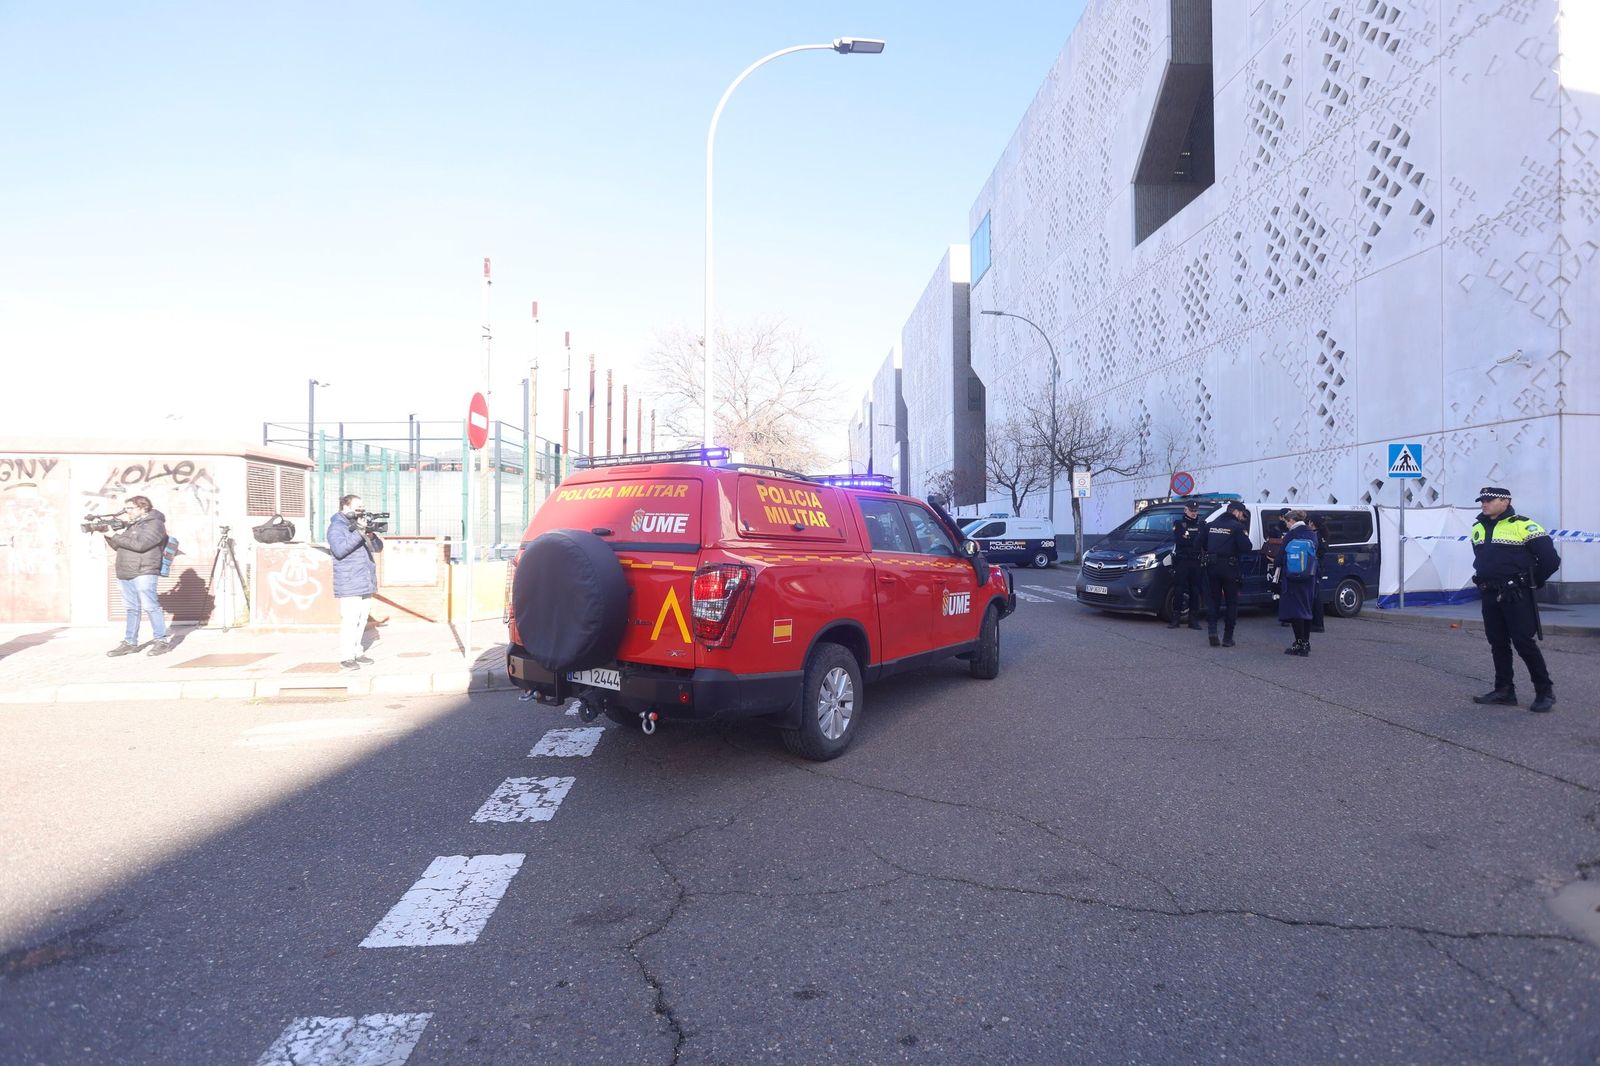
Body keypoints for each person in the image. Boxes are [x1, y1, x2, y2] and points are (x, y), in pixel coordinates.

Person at [1469, 486, 1561, 713]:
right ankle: (1504, 691)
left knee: (1523, 643)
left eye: (1490, 500)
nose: (1484, 503)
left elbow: (1550, 560)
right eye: (1482, 500)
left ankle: (1544, 691)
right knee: (1497, 643)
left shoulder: (1524, 526)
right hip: (1490, 594)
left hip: (1516, 595)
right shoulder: (1477, 528)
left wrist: (1527, 583)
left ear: (1505, 501)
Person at [105, 496, 174, 657]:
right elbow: (119, 546)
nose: (126, 511)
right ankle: (130, 642)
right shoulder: (132, 525)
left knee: (150, 606)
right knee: (131, 608)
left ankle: (161, 641)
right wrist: (108, 535)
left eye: (130, 508)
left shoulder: (155, 524)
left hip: (144, 570)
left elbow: (141, 545)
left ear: (143, 508)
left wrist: (115, 536)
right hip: (125, 571)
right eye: (126, 508)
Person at [329, 494, 383, 670]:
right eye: (357, 506)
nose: (361, 510)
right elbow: (339, 550)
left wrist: (371, 535)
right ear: (345, 507)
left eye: (362, 506)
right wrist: (359, 533)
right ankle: (346, 656)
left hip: (365, 579)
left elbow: (377, 548)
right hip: (349, 579)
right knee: (350, 620)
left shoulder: (358, 525)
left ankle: (357, 651)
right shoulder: (337, 527)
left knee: (362, 619)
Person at [1203, 499, 1252, 648]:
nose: (1241, 516)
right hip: (1230, 568)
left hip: (1211, 566)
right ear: (1236, 512)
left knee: (1213, 600)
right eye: (1241, 514)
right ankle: (1227, 637)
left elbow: (1199, 543)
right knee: (1231, 602)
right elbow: (1247, 547)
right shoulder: (1237, 527)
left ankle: (1212, 632)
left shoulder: (1210, 525)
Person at [1278, 509, 1317, 656]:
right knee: (1306, 609)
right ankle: (1306, 642)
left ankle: (1298, 642)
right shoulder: (1311, 533)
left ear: (1292, 521)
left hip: (1293, 577)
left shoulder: (1291, 534)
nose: (1286, 525)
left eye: (1286, 522)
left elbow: (1282, 555)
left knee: (1295, 611)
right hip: (1309, 577)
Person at [1168, 500, 1207, 630]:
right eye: (1191, 510)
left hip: (1196, 561)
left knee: (1195, 590)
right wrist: (1195, 540)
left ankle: (1193, 620)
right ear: (1186, 510)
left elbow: (1204, 542)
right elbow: (1179, 540)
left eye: (1196, 511)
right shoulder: (1179, 524)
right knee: (1179, 590)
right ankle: (1175, 619)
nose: (1194, 513)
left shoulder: (1202, 524)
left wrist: (1190, 539)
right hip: (1182, 561)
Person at [1305, 516, 1328, 633]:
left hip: (1315, 566)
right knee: (1315, 595)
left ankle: (1318, 623)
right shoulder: (1321, 534)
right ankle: (1316, 622)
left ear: (1312, 523)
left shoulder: (1316, 535)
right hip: (1318, 566)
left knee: (1315, 596)